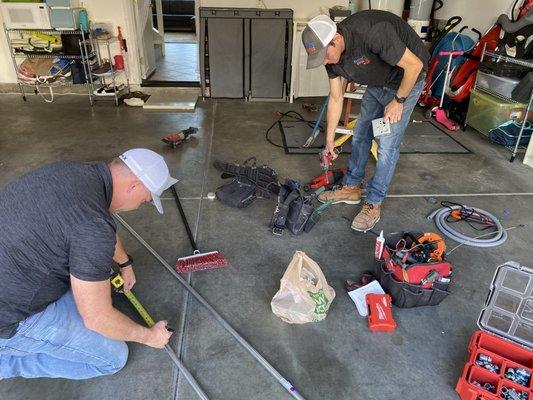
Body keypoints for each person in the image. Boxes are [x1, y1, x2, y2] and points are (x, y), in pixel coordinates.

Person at [0, 148, 178, 380]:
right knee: (112, 357)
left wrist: (125, 263)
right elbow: (97, 318)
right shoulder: (93, 227)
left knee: (95, 286)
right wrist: (150, 336)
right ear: (134, 186)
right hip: (10, 318)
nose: (139, 206)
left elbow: (94, 219)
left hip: (14, 275)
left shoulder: (71, 172)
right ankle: (7, 362)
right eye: (145, 201)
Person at [302, 11, 430, 231]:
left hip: (406, 80)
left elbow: (414, 66)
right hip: (378, 81)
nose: (324, 61)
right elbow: (335, 97)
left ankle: (374, 201)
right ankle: (351, 187)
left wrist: (399, 100)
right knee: (361, 133)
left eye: (325, 55)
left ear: (337, 39)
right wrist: (329, 142)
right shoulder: (330, 54)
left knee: (387, 145)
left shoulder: (373, 32)